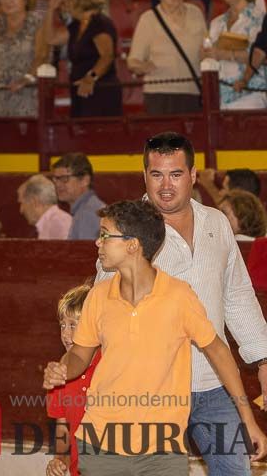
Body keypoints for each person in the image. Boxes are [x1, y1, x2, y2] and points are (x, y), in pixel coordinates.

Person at [48, 197, 267, 469]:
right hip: (100, 440)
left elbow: (220, 352)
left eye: (105, 235)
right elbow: (80, 353)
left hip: (162, 447)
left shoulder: (178, 296)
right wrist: (63, 368)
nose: (97, 242)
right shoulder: (99, 296)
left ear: (132, 245)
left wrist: (247, 417)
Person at [128, 0, 207, 115]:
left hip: (193, 91)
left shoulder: (195, 13)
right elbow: (133, 61)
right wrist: (143, 67)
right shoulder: (148, 19)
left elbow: (206, 47)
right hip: (160, 93)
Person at [43, 0, 123, 118]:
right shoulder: (76, 25)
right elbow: (51, 38)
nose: (64, 2)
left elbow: (107, 56)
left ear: (78, 1)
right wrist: (50, 9)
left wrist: (90, 77)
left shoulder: (100, 23)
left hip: (100, 89)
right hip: (81, 89)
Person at [45, 283, 99, 476]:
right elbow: (63, 437)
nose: (66, 334)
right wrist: (59, 461)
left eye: (73, 325)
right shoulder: (59, 376)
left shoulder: (111, 367)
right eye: (62, 325)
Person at [204, 0, 266, 110]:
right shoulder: (216, 22)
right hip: (221, 96)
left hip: (251, 95)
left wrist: (222, 54)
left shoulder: (259, 19)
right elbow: (209, 54)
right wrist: (205, 54)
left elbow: (259, 56)